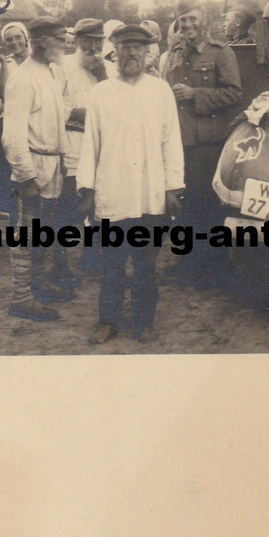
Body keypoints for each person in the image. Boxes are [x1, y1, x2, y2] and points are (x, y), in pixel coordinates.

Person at [77, 24, 185, 344]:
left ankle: (143, 321)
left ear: (148, 51)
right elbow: (90, 146)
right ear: (116, 51)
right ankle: (108, 321)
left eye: (138, 47)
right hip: (113, 193)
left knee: (146, 264)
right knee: (111, 263)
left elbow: (171, 142)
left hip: (150, 194)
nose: (132, 52)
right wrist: (88, 189)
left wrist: (172, 188)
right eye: (125, 46)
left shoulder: (160, 90)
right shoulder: (102, 93)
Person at [165, 0, 241, 286]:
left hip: (207, 142)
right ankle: (189, 261)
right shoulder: (175, 53)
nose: (187, 25)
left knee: (205, 205)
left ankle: (213, 267)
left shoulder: (220, 53)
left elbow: (234, 93)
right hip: (178, 139)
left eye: (192, 19)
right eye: (183, 20)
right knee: (184, 203)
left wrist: (195, 94)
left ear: (205, 21)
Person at [2, 15, 74, 321]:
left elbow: (54, 117)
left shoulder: (50, 72)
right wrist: (26, 175)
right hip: (31, 169)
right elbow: (12, 134)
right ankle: (21, 298)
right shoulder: (22, 78)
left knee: (43, 232)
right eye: (59, 39)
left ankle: (39, 284)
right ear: (43, 41)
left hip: (52, 166)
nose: (64, 43)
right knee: (27, 235)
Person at [53, 18, 109, 285]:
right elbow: (54, 106)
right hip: (72, 142)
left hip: (100, 144)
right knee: (71, 203)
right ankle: (59, 263)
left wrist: (101, 75)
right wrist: (76, 114)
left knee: (99, 203)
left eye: (98, 40)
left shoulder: (107, 67)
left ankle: (92, 254)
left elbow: (114, 104)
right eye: (88, 40)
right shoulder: (63, 66)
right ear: (77, 40)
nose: (93, 46)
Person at [0, 21, 31, 223]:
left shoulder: (38, 62)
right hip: (11, 124)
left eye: (18, 37)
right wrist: (4, 62)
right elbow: (2, 91)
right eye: (9, 39)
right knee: (15, 174)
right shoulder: (3, 64)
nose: (14, 42)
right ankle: (18, 224)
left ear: (26, 38)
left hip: (35, 124)